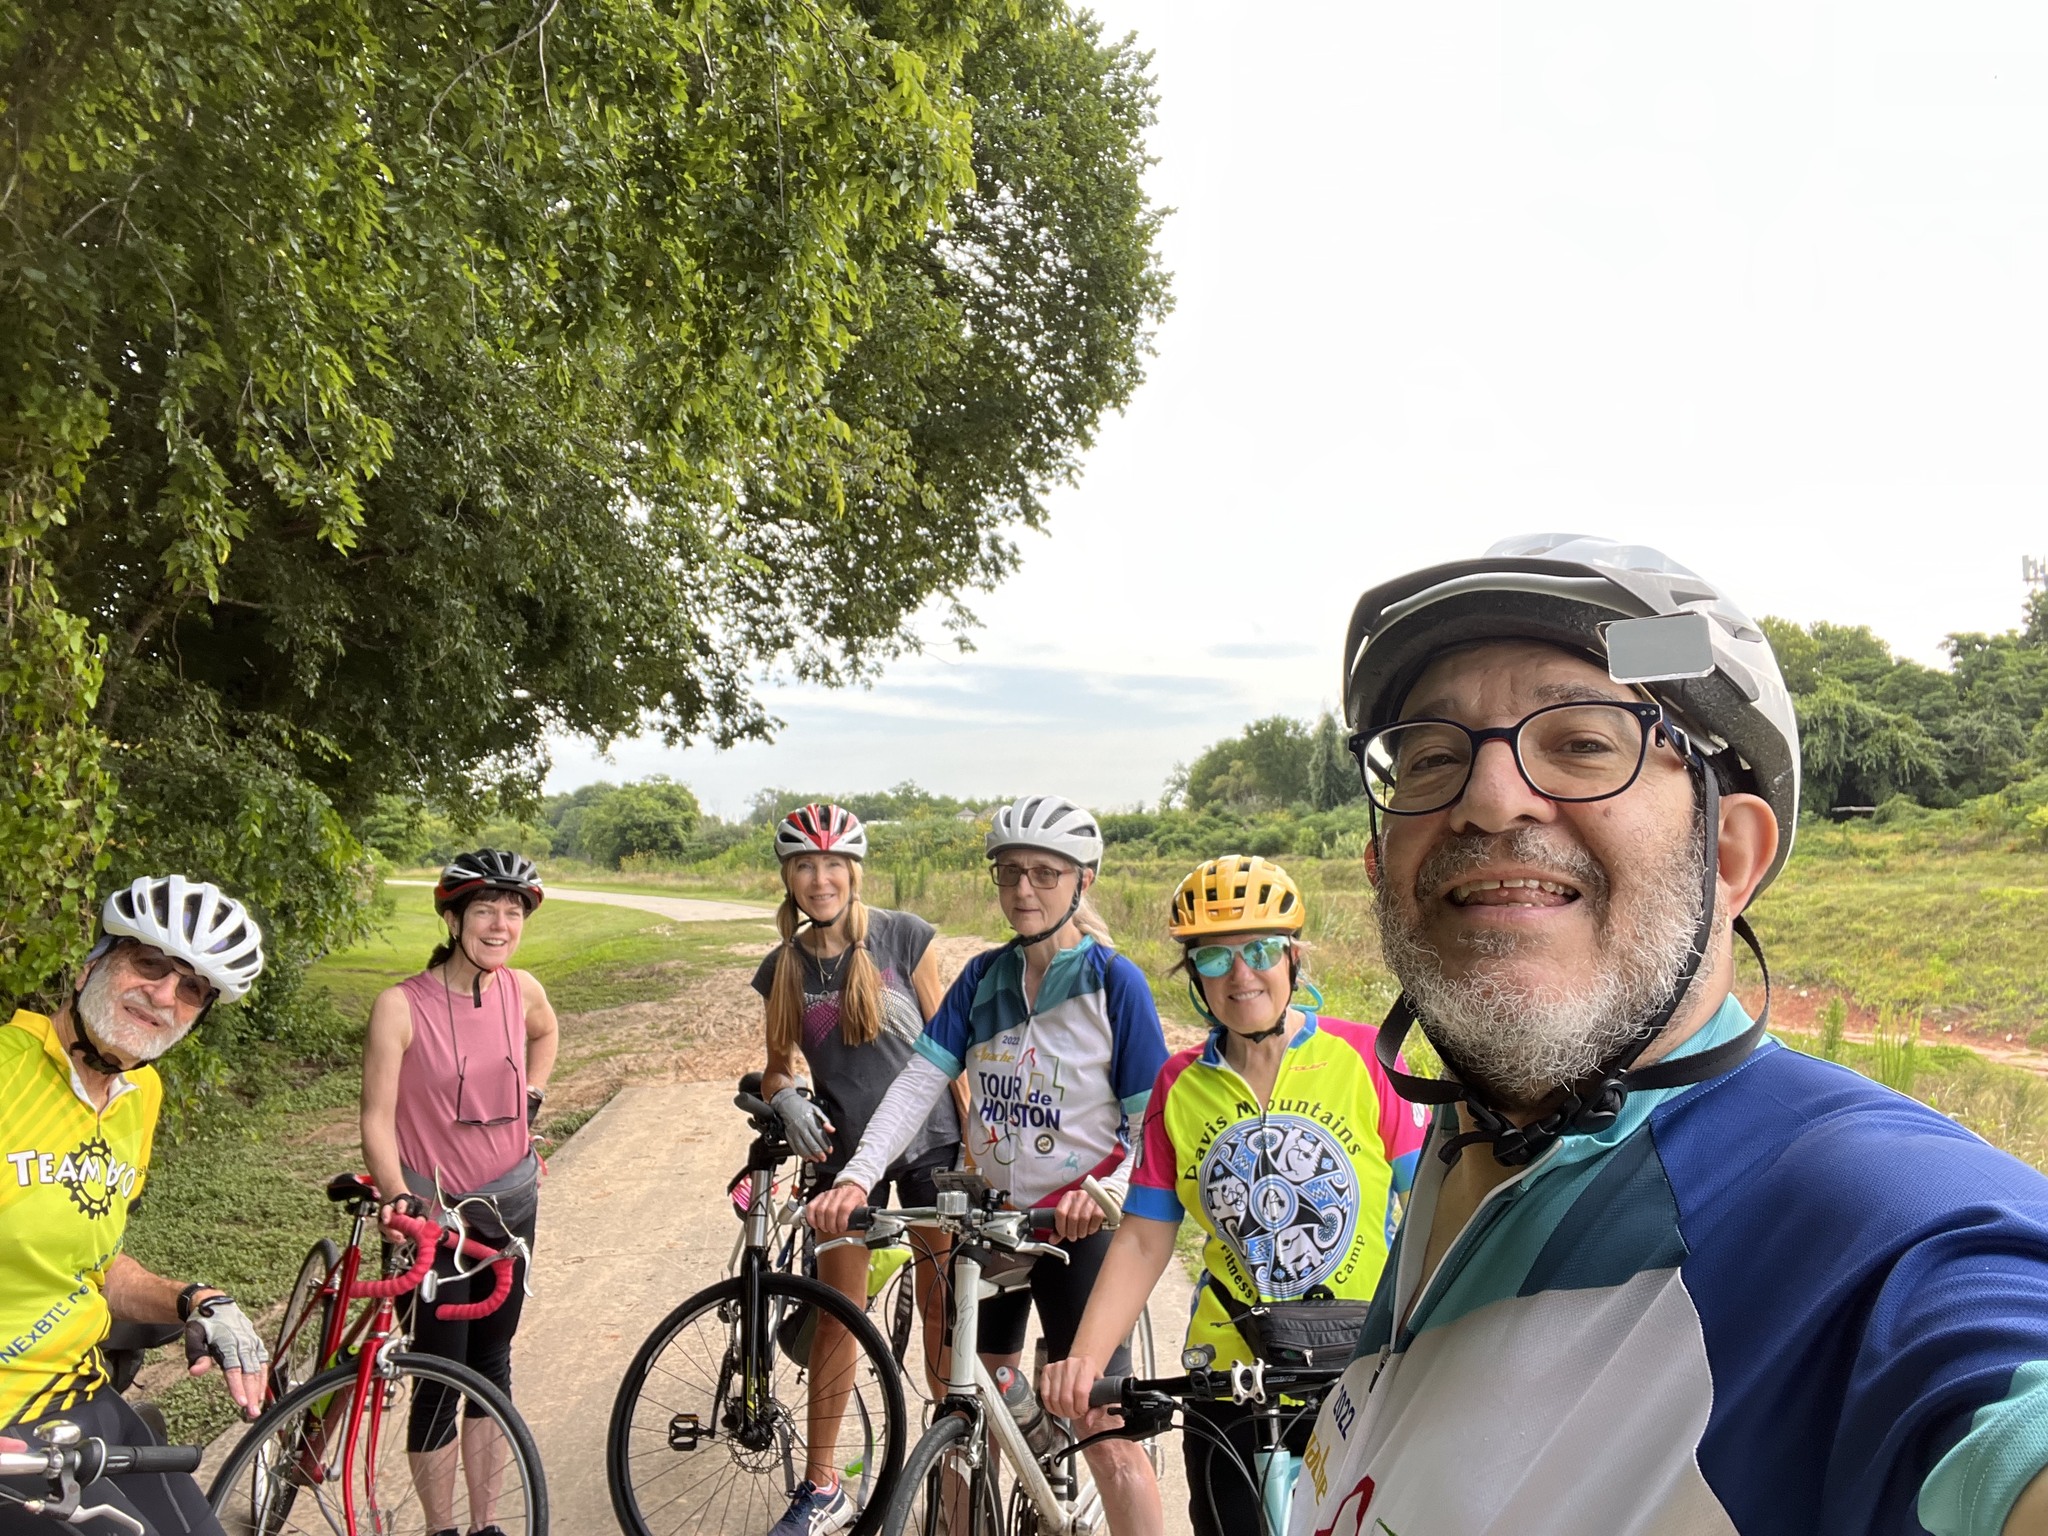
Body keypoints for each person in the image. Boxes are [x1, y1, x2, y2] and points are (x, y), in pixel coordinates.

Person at [1288, 534, 2048, 1536]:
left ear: (1726, 858)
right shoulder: (1466, 1154)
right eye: (1430, 757)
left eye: (1584, 742)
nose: (1487, 796)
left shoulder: (1858, 1219)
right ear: (1380, 868)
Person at [807, 794, 1170, 1536]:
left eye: (1043, 873)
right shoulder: (982, 978)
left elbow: (1151, 1124)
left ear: (1083, 882)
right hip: (999, 1223)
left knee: (1108, 1432)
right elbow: (917, 1084)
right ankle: (1027, 1460)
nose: (1024, 891)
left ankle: (1084, 1462)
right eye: (1009, 874)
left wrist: (1103, 1190)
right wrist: (856, 1175)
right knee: (983, 1388)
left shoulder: (1113, 983)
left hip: (1082, 1225)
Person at [1041, 856, 1426, 1536]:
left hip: (1360, 1360)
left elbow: (1432, 1208)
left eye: (1260, 950)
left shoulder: (1368, 1060)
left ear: (1293, 957)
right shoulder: (1178, 1086)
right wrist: (1085, 1359)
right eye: (1215, 960)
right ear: (1193, 977)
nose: (1241, 975)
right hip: (1229, 1373)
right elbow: (1142, 1236)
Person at [1, 875, 270, 1536]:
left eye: (191, 990)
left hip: (79, 1395)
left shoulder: (136, 1098)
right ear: (94, 961)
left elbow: (89, 1261)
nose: (163, 996)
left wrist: (192, 1298)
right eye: (150, 965)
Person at [751, 804, 961, 1536]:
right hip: (845, 1160)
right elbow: (778, 1068)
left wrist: (976, 1149)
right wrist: (786, 1102)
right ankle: (822, 1484)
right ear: (788, 877)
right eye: (805, 866)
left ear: (853, 872)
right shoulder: (783, 966)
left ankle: (950, 1470)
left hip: (933, 1146)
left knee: (942, 1313)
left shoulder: (903, 936)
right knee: (839, 1317)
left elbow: (949, 1043)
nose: (820, 879)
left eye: (833, 865)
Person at [360, 848, 558, 1536]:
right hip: (437, 1219)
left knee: (494, 1366)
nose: (500, 925)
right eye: (484, 911)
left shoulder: (521, 989)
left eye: (513, 912)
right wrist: (395, 1194)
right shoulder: (400, 1006)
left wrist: (532, 1095)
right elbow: (375, 1117)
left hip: (512, 1206)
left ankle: (485, 1526)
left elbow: (547, 1032)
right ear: (452, 917)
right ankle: (442, 1528)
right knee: (443, 1373)